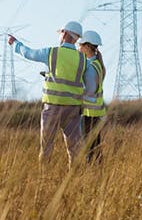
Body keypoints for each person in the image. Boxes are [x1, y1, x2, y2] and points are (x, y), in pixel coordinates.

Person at [8, 21, 97, 166]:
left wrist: (15, 44)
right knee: (75, 149)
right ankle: (74, 180)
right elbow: (92, 85)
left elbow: (28, 53)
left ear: (65, 33)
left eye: (61, 32)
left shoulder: (51, 53)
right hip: (73, 109)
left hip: (52, 108)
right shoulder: (83, 60)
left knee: (46, 147)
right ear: (76, 38)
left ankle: (43, 179)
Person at [77, 30, 106, 164]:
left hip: (89, 114)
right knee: (95, 147)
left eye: (80, 45)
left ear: (87, 46)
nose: (78, 48)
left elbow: (88, 90)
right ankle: (97, 173)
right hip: (96, 113)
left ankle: (92, 174)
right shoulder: (97, 64)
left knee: (89, 148)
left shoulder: (90, 66)